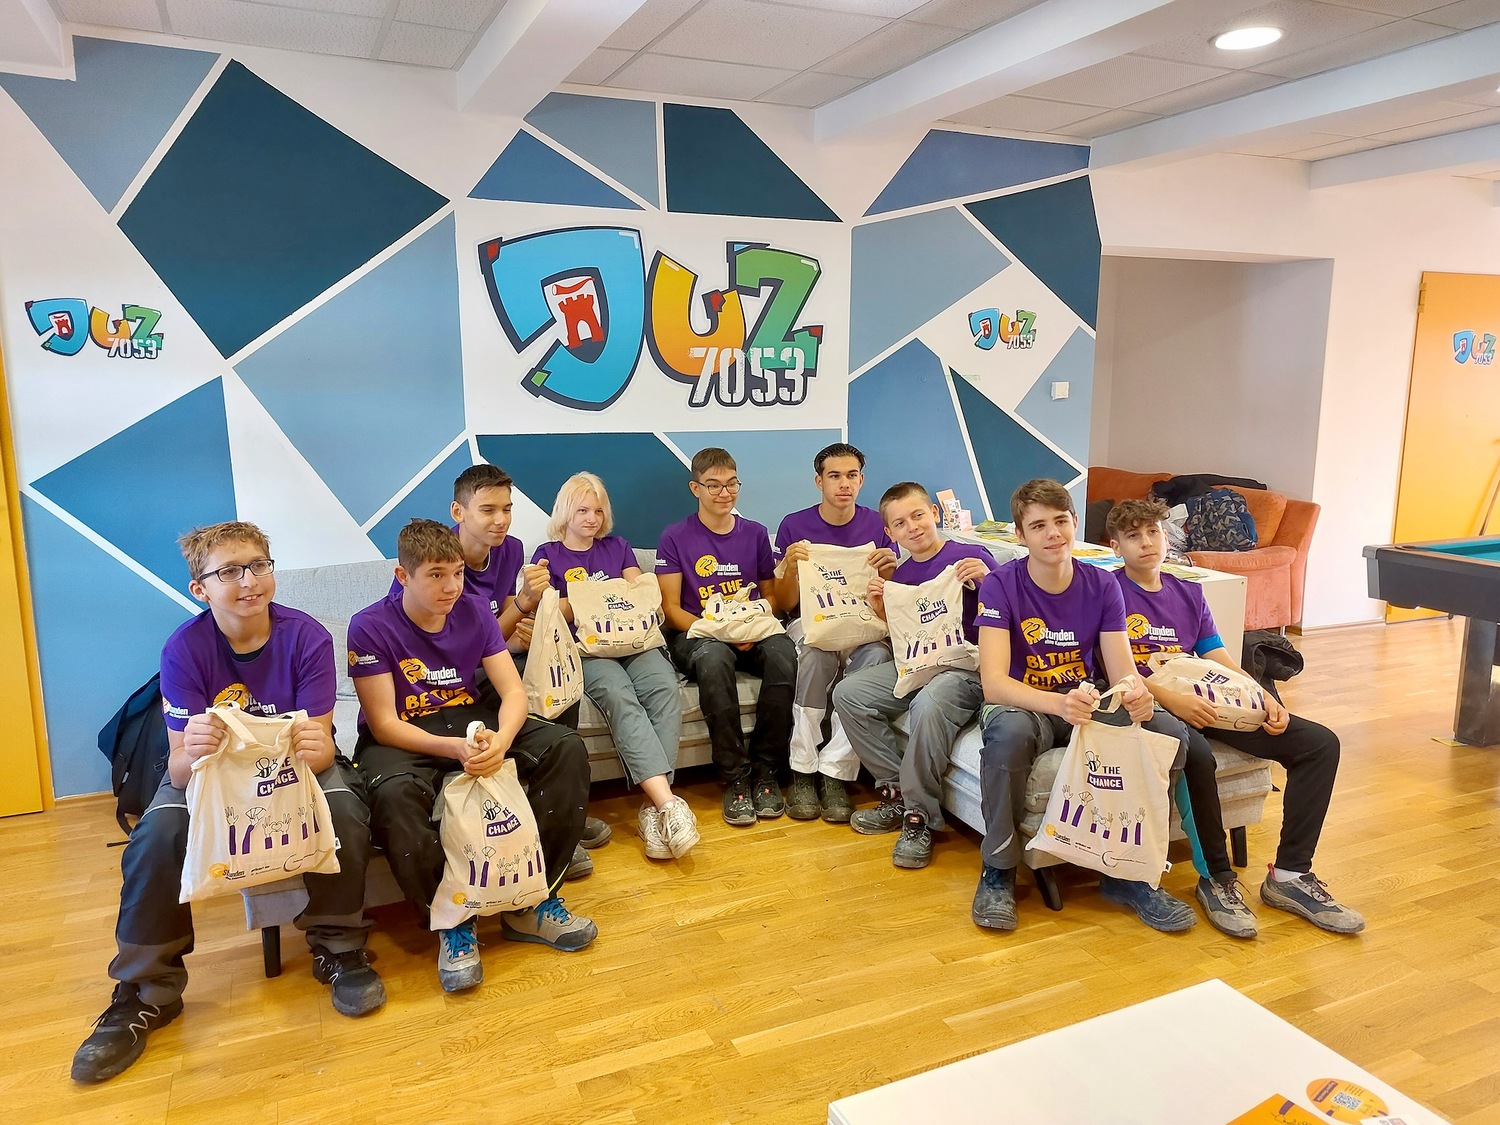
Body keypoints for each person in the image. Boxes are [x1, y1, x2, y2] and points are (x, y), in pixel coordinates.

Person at [71, 522, 383, 1084]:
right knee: (158, 834)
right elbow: (179, 769)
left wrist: (318, 746)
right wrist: (193, 748)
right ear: (201, 588)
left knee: (343, 808)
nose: (249, 581)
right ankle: (147, 990)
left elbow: (319, 751)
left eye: (258, 565)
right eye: (229, 572)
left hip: (292, 768)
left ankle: (338, 946)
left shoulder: (307, 637)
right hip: (210, 774)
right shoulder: (184, 649)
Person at [349, 519, 596, 993]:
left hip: (470, 717)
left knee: (566, 748)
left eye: (458, 573)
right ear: (403, 576)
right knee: (395, 795)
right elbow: (383, 724)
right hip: (403, 733)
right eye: (436, 575)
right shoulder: (369, 625)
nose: (451, 587)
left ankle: (534, 901)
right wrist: (454, 749)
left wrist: (501, 740)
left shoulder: (475, 611)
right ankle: (452, 921)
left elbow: (513, 693)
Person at [1105, 497, 1363, 936]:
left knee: (1320, 744)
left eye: (1153, 532)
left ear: (1166, 536)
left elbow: (1219, 659)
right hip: (1153, 704)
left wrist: (1263, 696)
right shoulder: (1108, 591)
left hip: (1208, 699)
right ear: (1116, 546)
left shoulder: (1188, 593)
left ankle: (1290, 876)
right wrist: (1172, 701)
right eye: (1134, 536)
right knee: (1196, 753)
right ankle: (1218, 880)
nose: (1147, 542)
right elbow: (1117, 669)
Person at [972, 479, 1194, 934]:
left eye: (1060, 521)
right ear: (1020, 535)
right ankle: (997, 871)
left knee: (1168, 732)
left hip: (1086, 699)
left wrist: (1137, 694)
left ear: (1075, 523)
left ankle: (1130, 872)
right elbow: (994, 685)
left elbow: (1123, 671)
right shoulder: (999, 585)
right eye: (1039, 526)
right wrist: (1058, 703)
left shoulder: (1103, 584)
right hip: (1025, 702)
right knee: (1009, 736)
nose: (1053, 533)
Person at [400, 464, 607, 876]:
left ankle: (558, 810)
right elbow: (451, 650)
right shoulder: (434, 564)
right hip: (448, 679)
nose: (500, 520)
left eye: (507, 509)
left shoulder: (511, 549)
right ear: (458, 512)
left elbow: (497, 626)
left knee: (557, 679)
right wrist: (521, 609)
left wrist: (517, 629)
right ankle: (526, 815)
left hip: (495, 659)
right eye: (488, 510)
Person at [832, 482, 999, 868]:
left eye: (918, 515)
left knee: (928, 702)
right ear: (890, 533)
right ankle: (896, 790)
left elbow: (1018, 605)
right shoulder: (903, 575)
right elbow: (907, 638)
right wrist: (882, 608)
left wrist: (990, 578)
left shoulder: (971, 556)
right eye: (901, 523)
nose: (913, 527)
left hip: (967, 667)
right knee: (848, 694)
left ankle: (918, 816)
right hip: (918, 662)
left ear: (934, 514)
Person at [533, 473, 698, 860]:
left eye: (598, 511)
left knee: (664, 688)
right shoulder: (547, 554)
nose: (592, 518)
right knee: (619, 696)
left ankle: (653, 810)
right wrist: (604, 596)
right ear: (565, 512)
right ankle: (669, 803)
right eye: (582, 510)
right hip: (587, 650)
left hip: (635, 643)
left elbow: (638, 595)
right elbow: (549, 610)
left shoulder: (618, 547)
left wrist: (586, 599)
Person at [657, 447, 797, 826]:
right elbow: (670, 608)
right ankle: (735, 776)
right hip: (697, 633)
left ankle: (767, 771)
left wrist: (747, 626)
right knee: (713, 658)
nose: (725, 493)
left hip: (750, 627)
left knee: (784, 652)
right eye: (714, 485)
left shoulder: (755, 533)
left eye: (732, 484)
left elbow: (770, 597)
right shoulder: (675, 536)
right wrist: (720, 633)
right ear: (695, 488)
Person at [774, 443, 897, 822]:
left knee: (878, 655)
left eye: (851, 475)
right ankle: (802, 768)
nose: (844, 484)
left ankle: (835, 772)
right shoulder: (794, 525)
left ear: (862, 480)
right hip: (811, 622)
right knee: (816, 654)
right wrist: (790, 568)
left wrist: (890, 570)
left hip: (863, 624)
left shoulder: (879, 525)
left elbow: (892, 596)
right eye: (835, 476)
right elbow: (783, 603)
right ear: (819, 481)